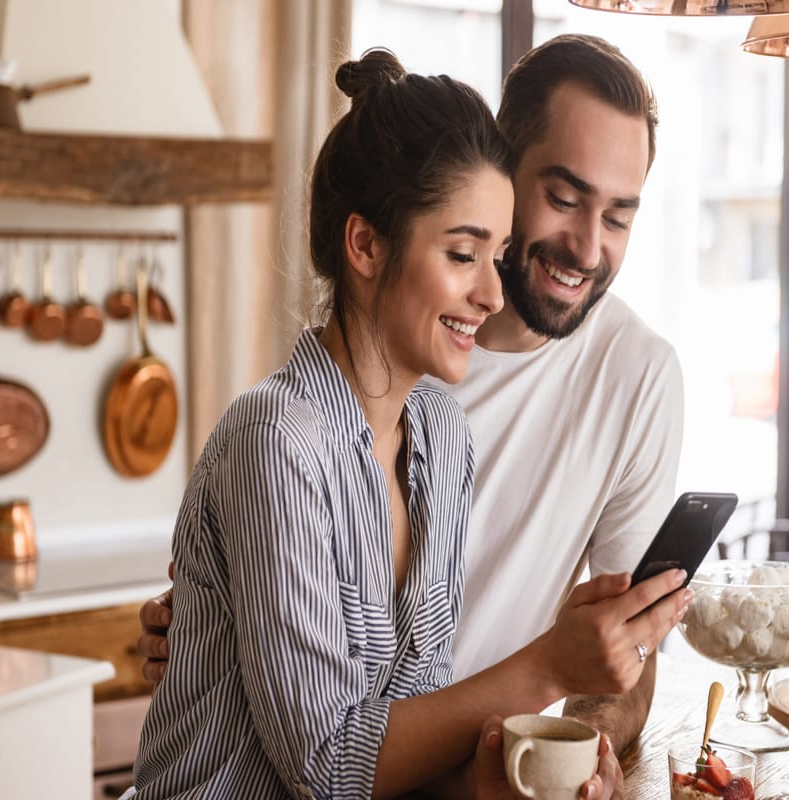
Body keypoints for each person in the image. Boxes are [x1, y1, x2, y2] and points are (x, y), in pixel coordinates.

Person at [137, 36, 689, 797]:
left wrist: (516, 776)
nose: (491, 294)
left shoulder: (438, 434)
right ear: (365, 243)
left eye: (491, 258)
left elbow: (409, 718)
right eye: (466, 255)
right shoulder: (278, 438)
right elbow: (329, 766)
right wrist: (550, 668)